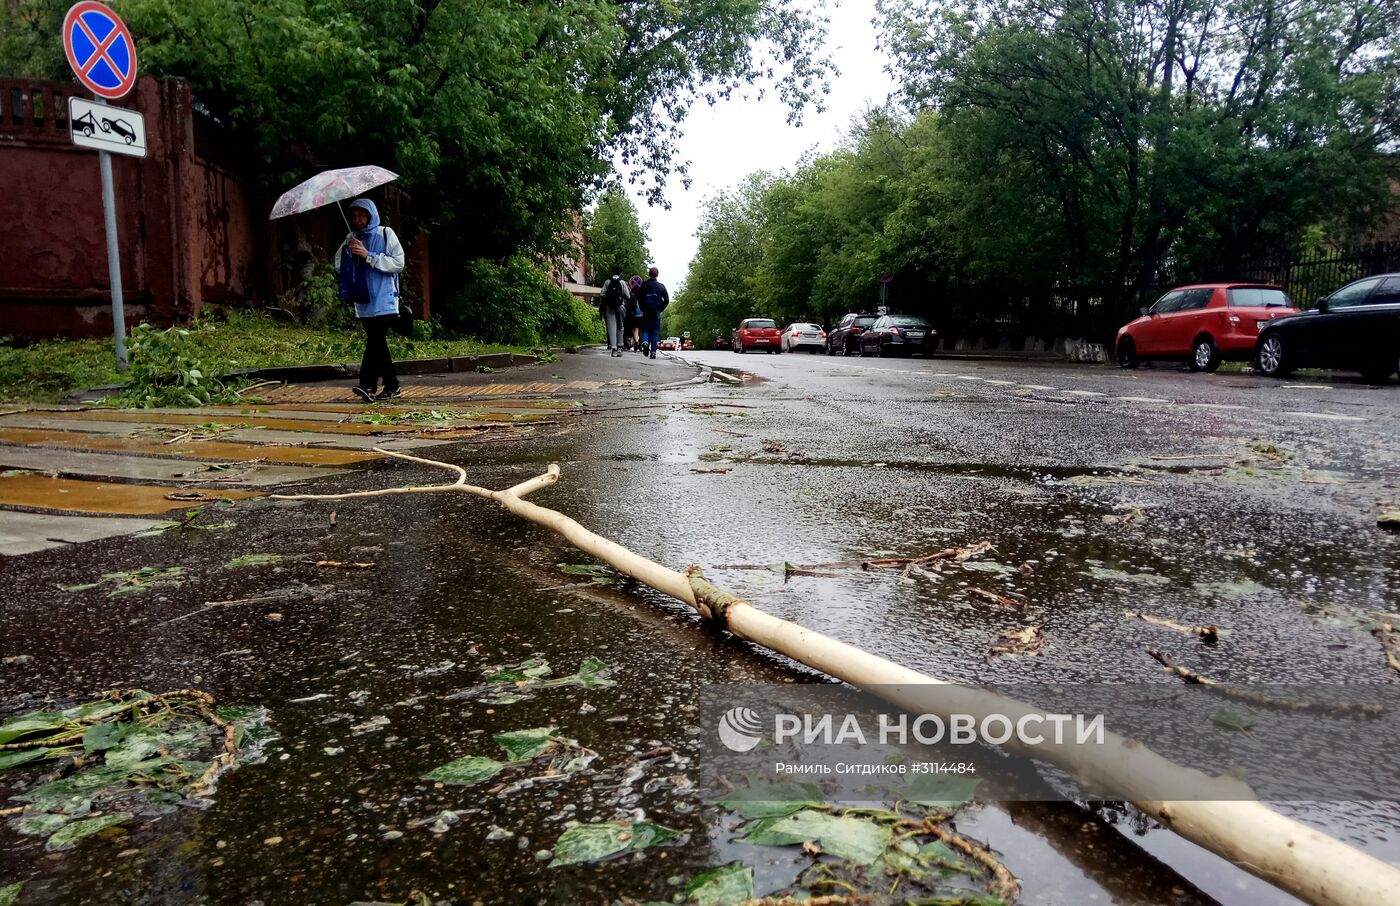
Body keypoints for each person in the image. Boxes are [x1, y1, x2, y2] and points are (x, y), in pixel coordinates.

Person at [335, 198, 406, 401]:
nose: (358, 220)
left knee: (375, 341)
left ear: (371, 215)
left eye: (362, 216)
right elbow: (338, 266)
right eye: (354, 216)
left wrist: (369, 255)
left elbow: (398, 262)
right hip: (363, 299)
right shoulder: (351, 238)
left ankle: (368, 385)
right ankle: (391, 386)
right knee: (377, 343)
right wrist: (350, 254)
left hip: (385, 299)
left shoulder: (385, 233)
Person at [597, 266, 631, 357]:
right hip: (620, 306)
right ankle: (620, 346)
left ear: (612, 272)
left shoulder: (607, 282)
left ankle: (614, 348)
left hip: (610, 307)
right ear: (620, 273)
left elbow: (602, 293)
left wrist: (608, 299)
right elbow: (628, 296)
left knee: (611, 326)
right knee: (620, 326)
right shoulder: (622, 282)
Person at [638, 267, 670, 359]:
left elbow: (639, 297)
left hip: (646, 310)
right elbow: (666, 300)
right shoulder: (661, 286)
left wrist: (642, 307)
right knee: (655, 332)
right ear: (657, 275)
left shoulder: (644, 285)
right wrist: (661, 308)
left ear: (649, 274)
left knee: (646, 329)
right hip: (656, 311)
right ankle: (653, 352)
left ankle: (645, 342)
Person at [625, 275, 644, 351]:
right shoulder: (642, 297)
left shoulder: (631, 297)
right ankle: (640, 345)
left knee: (635, 329)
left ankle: (636, 341)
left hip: (634, 316)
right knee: (641, 331)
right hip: (642, 316)